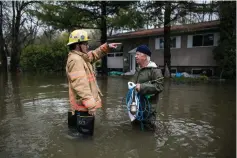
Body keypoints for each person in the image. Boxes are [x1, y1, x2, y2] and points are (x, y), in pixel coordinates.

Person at [66, 29, 120, 135]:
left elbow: (93, 55)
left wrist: (106, 47)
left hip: (83, 104)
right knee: (84, 139)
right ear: (78, 45)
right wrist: (90, 104)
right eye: (85, 44)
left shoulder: (81, 57)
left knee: (79, 136)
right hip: (83, 106)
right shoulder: (76, 60)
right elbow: (80, 84)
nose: (88, 46)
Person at [129, 45, 164, 130]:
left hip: (149, 109)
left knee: (149, 131)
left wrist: (142, 87)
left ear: (145, 56)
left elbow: (159, 86)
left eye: (138, 54)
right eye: (135, 54)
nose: (135, 56)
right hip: (136, 106)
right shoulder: (138, 69)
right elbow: (133, 83)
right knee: (135, 129)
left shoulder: (155, 70)